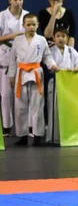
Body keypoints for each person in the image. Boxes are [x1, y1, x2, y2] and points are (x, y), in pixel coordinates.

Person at [7, 13, 58, 146]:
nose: (31, 27)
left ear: (38, 25)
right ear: (23, 25)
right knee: (20, 107)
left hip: (36, 73)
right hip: (21, 74)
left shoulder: (41, 40)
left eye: (34, 24)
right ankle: (22, 136)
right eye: (28, 25)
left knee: (37, 106)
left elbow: (47, 56)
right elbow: (12, 59)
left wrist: (52, 65)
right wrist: (11, 75)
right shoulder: (18, 40)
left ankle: (37, 136)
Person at [47, 26, 78, 143]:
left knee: (69, 110)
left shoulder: (71, 50)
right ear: (54, 38)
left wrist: (77, 67)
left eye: (63, 36)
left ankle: (69, 135)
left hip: (69, 84)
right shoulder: (50, 50)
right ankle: (54, 137)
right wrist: (55, 67)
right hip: (55, 83)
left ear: (67, 38)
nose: (60, 39)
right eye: (58, 36)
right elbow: (49, 61)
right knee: (54, 110)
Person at [0, 0, 28, 136]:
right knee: (5, 95)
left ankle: (24, 128)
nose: (18, 2)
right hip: (5, 57)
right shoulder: (2, 16)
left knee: (23, 96)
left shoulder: (27, 16)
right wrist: (13, 35)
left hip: (24, 59)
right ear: (9, 0)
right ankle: (6, 126)